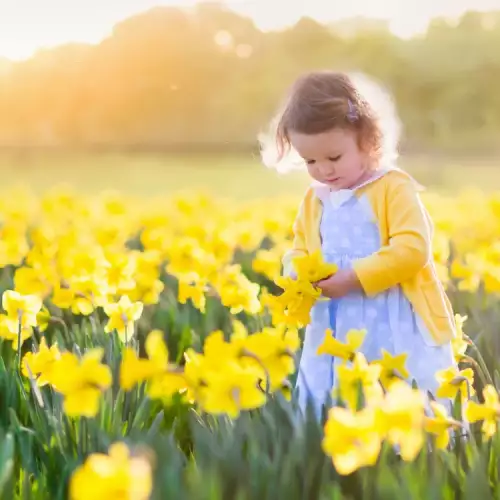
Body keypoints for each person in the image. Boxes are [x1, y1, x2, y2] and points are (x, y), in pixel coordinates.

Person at [267, 71, 456, 417]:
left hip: (393, 316)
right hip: (333, 321)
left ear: (368, 141)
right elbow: (298, 250)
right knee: (336, 398)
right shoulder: (316, 198)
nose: (323, 170)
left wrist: (353, 278)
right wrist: (297, 273)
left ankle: (408, 458)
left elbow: (413, 250)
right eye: (310, 161)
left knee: (394, 394)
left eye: (334, 158)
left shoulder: (393, 187)